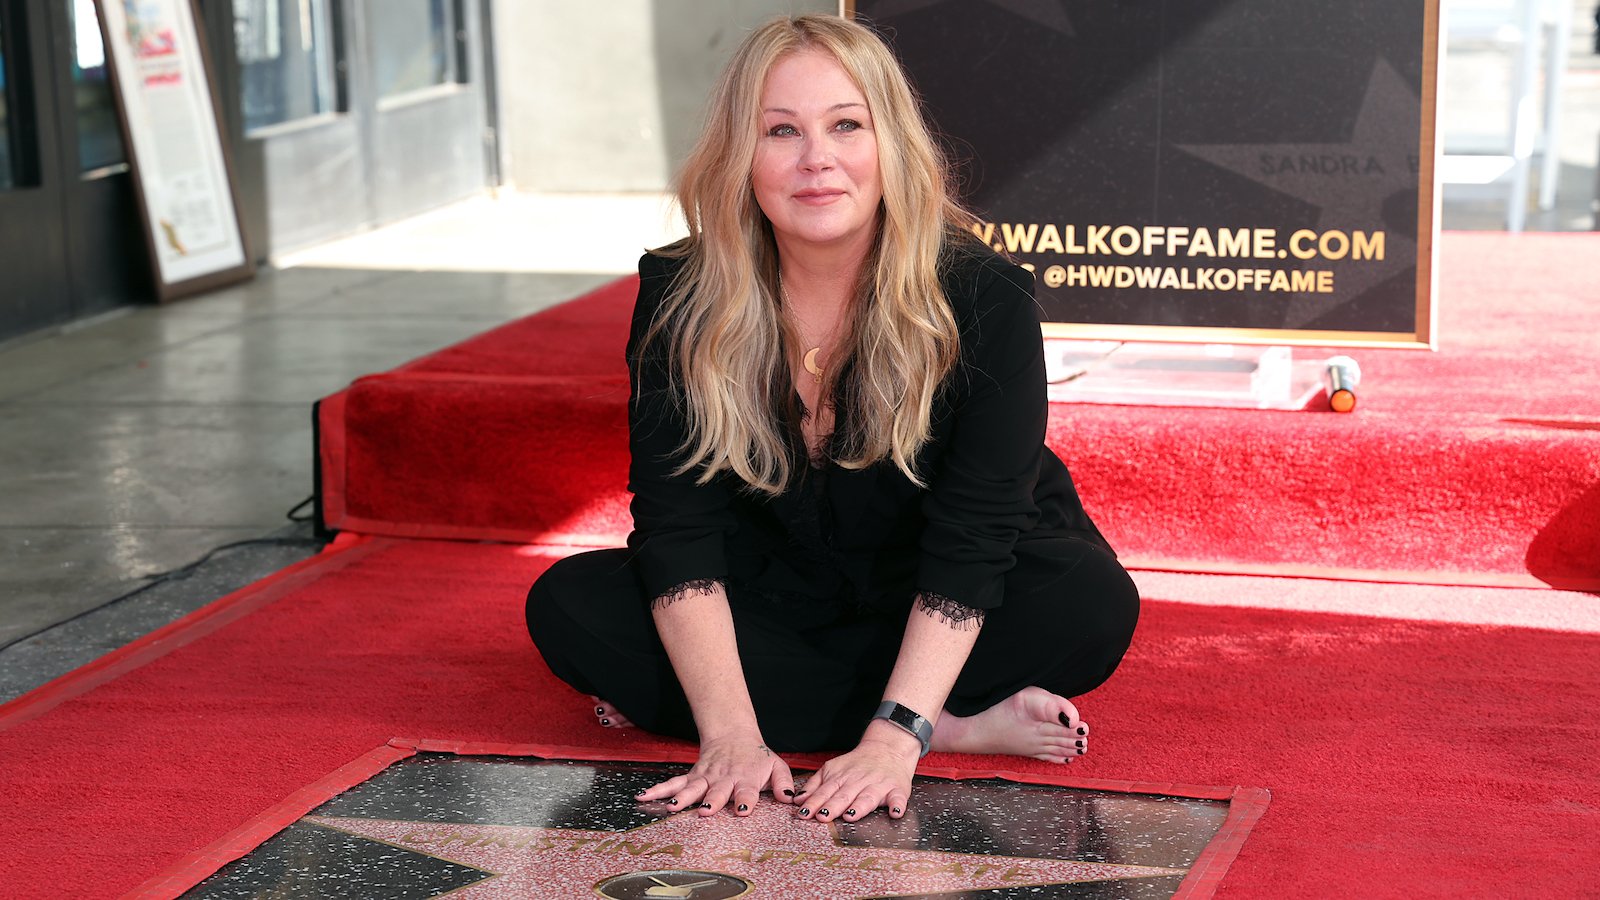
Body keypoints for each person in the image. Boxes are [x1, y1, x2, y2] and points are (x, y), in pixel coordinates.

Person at [526, 13, 1137, 826]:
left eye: (846, 125)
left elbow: (976, 536)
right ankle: (947, 725)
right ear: (740, 154)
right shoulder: (680, 290)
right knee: (568, 607)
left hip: (938, 579)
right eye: (781, 131)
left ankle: (898, 720)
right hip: (770, 583)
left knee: (1090, 604)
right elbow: (676, 525)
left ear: (891, 142)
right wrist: (729, 735)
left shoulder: (986, 294)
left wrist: (893, 737)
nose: (817, 159)